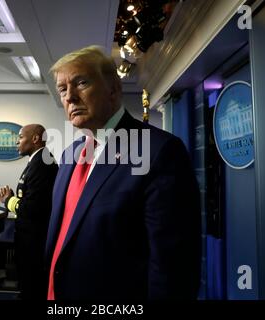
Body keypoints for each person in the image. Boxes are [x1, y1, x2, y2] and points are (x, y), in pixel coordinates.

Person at [45, 45, 201, 300]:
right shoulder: (69, 155)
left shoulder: (159, 152)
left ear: (113, 89)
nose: (70, 97)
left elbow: (173, 270)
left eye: (81, 82)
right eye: (62, 89)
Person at [0, 124, 58, 299]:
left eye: (21, 137)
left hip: (34, 241)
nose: (17, 141)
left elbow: (32, 209)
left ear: (35, 139)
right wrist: (13, 199)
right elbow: (31, 200)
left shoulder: (42, 164)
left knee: (33, 288)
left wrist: (8, 200)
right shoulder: (38, 161)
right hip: (29, 238)